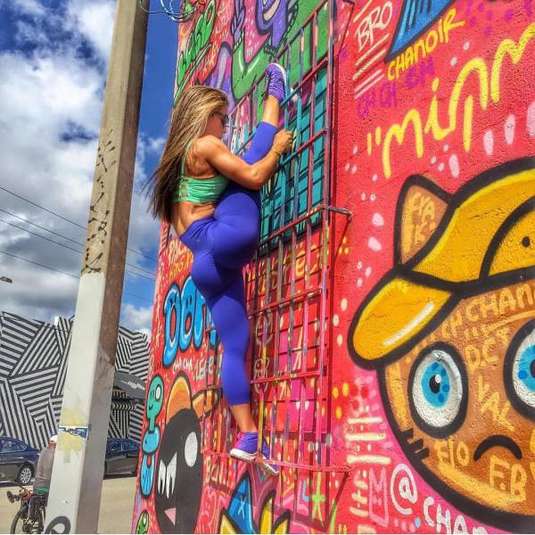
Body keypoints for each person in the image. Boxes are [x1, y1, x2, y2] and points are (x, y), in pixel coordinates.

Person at [147, 64, 293, 476]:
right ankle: (275, 90)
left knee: (236, 346)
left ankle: (248, 437)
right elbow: (256, 176)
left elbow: (190, 227)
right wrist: (278, 148)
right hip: (228, 238)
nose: (225, 128)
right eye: (222, 119)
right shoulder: (205, 144)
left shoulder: (174, 173)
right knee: (250, 163)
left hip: (206, 265)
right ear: (205, 115)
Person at [29, 434, 56, 520]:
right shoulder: (56, 454)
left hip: (36, 485)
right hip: (47, 487)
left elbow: (36, 465)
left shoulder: (43, 451)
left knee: (36, 497)